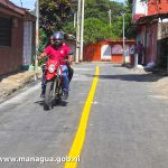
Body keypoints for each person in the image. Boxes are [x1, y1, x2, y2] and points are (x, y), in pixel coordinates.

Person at [38, 31, 74, 98]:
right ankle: (43, 91)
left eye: (59, 40)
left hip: (62, 65)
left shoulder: (65, 48)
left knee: (64, 75)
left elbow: (70, 56)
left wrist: (69, 60)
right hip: (52, 65)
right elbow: (45, 53)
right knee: (44, 75)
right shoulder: (50, 47)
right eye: (55, 40)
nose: (57, 41)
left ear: (62, 40)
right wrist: (40, 56)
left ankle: (65, 91)